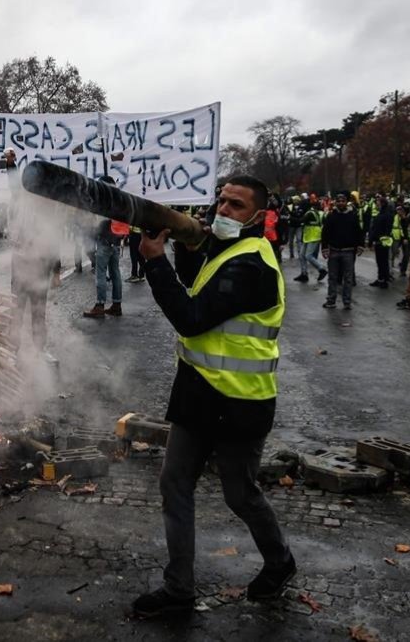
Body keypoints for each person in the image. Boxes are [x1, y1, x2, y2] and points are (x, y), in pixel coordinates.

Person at [131, 174, 294, 618]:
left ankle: (280, 561)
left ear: (259, 216)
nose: (223, 210)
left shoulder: (252, 264)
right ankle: (179, 588)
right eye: (221, 201)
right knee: (174, 483)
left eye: (236, 205)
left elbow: (192, 316)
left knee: (240, 495)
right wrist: (185, 247)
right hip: (199, 395)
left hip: (240, 403)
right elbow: (197, 279)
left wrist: (154, 262)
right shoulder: (228, 250)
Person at [5, 149, 59, 364]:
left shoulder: (48, 206)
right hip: (21, 264)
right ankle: (13, 350)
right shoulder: (20, 198)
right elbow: (13, 185)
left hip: (41, 266)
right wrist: (11, 164)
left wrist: (56, 271)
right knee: (17, 309)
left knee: (39, 310)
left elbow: (54, 238)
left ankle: (40, 349)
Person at [84, 176, 126, 318]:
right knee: (115, 274)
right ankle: (117, 305)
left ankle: (100, 305)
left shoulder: (104, 201)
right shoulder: (120, 200)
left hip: (104, 241)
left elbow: (97, 222)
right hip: (116, 242)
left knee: (100, 273)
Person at [320, 191, 363, 309]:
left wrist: (360, 245)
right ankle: (331, 300)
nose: (340, 203)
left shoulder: (352, 216)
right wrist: (324, 248)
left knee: (348, 279)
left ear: (346, 202)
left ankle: (347, 302)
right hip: (334, 250)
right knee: (332, 277)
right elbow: (325, 232)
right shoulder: (331, 216)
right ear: (335, 202)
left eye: (343, 201)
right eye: (338, 201)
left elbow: (358, 231)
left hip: (348, 251)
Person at [292, 199, 328, 283]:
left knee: (308, 256)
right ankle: (304, 274)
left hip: (314, 236)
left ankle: (322, 269)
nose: (300, 209)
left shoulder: (310, 213)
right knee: (302, 255)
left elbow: (300, 221)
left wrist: (289, 217)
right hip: (308, 236)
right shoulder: (311, 212)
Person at [369, 195, 394, 288]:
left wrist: (372, 240)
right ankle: (381, 279)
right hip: (382, 241)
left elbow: (376, 229)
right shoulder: (384, 214)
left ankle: (384, 280)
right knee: (381, 261)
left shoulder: (383, 215)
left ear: (382, 204)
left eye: (378, 203)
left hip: (382, 241)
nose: (376, 205)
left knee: (382, 262)